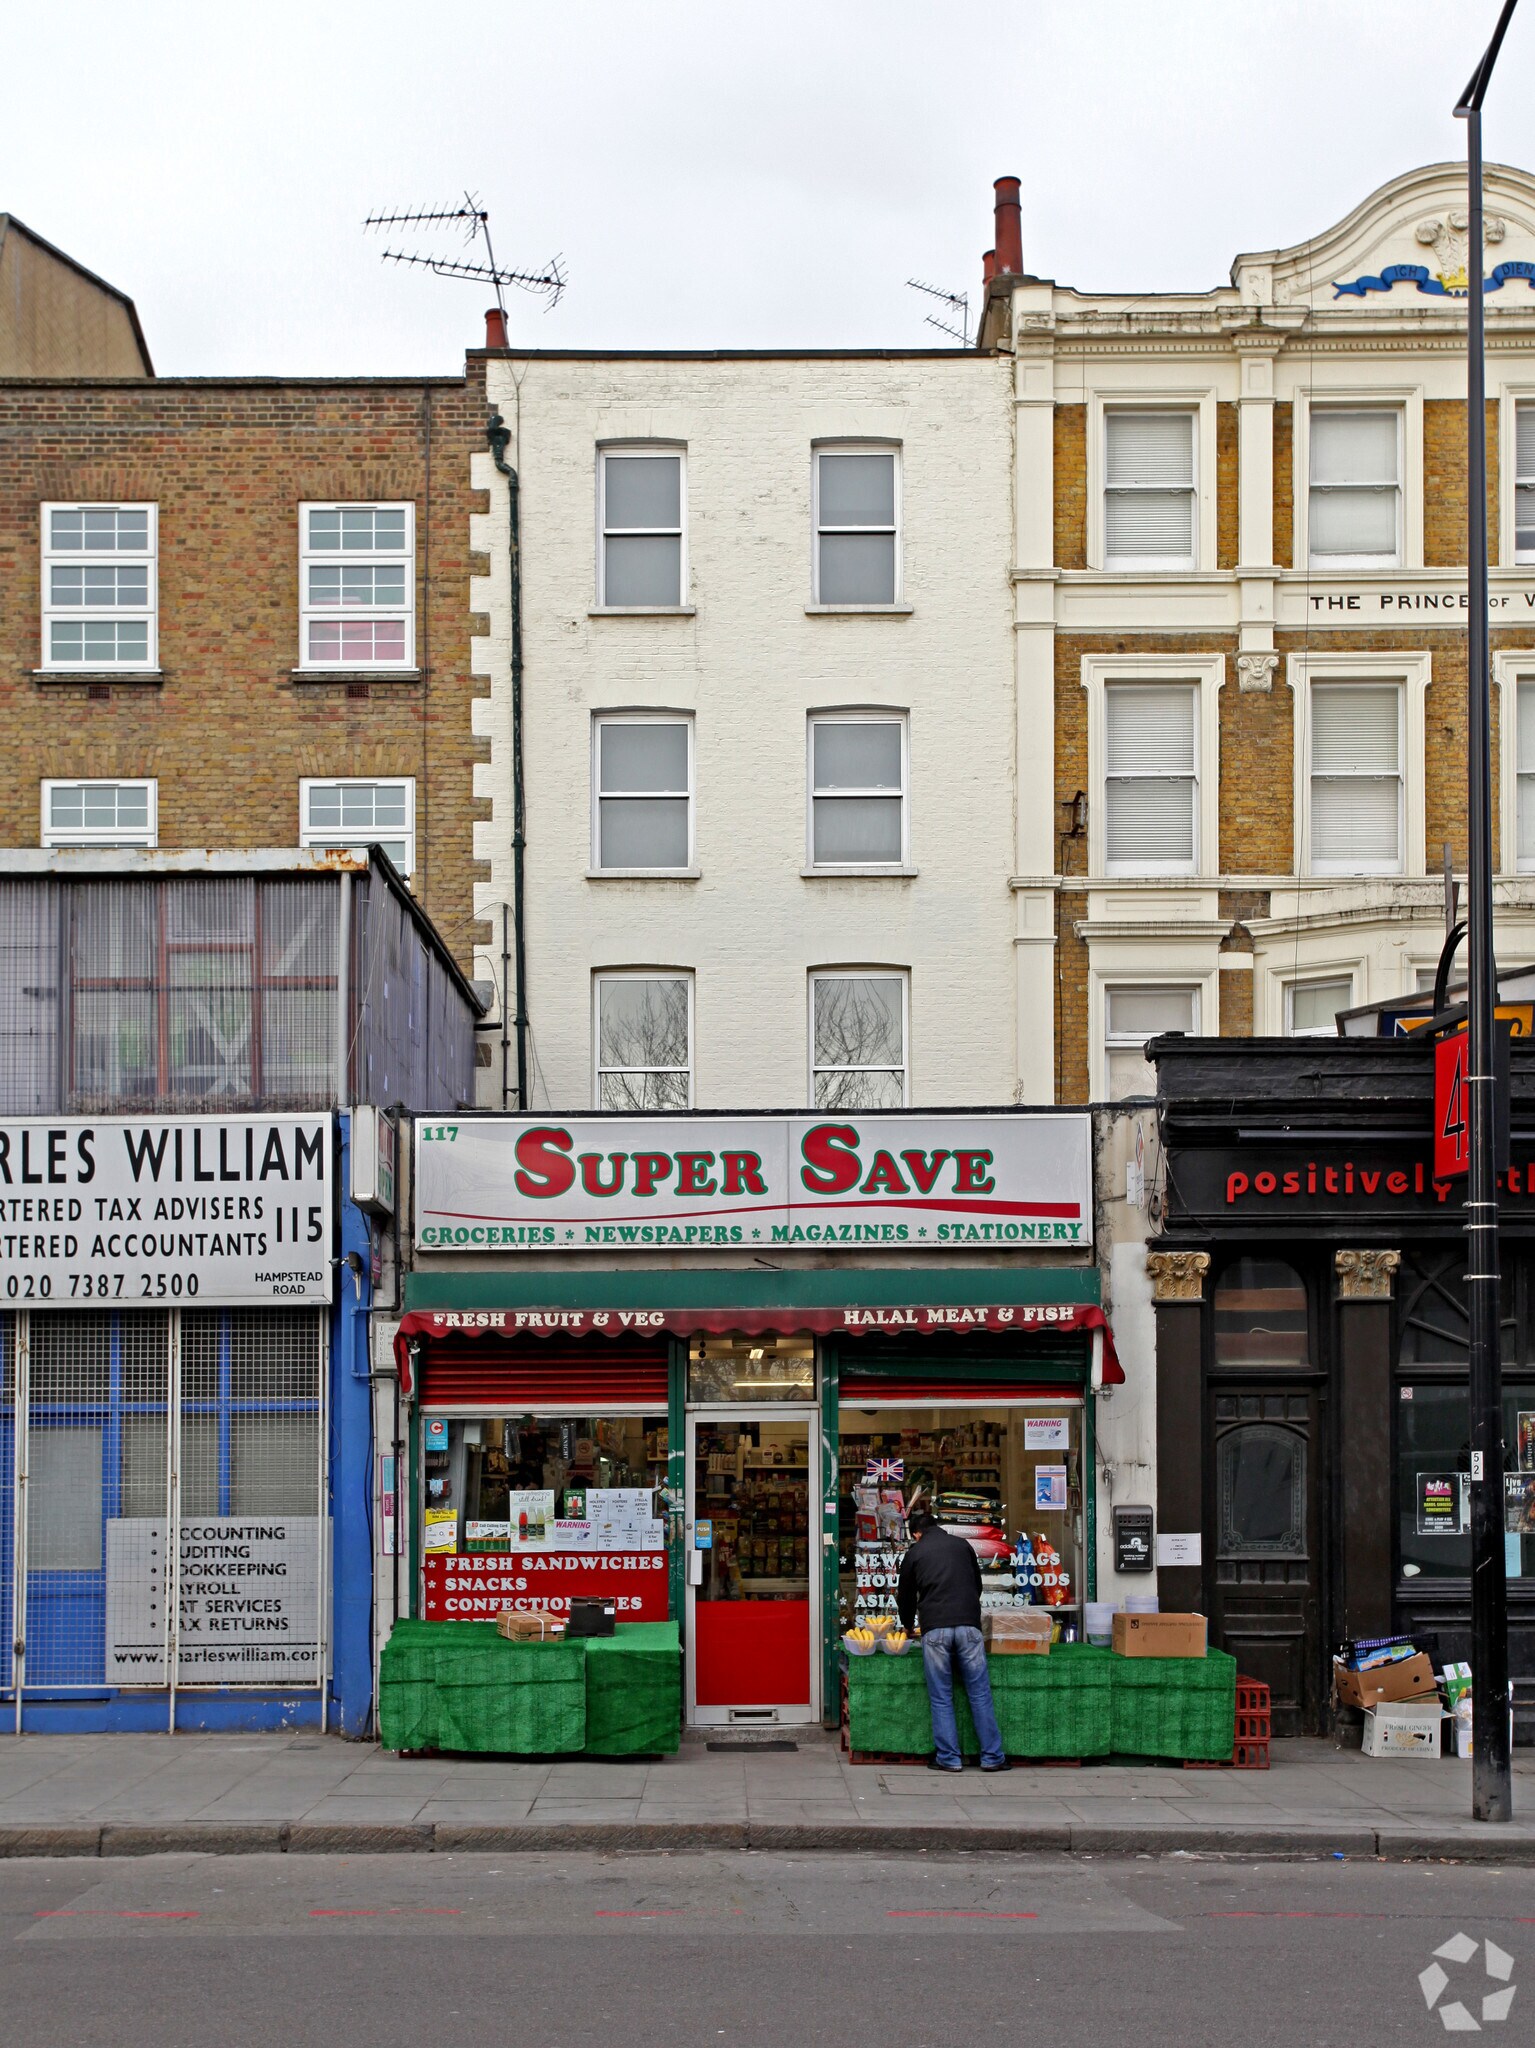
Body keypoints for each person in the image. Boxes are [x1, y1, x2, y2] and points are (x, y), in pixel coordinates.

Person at [895, 1507, 1010, 1772]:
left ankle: (949, 1758)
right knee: (980, 1693)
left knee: (941, 1696)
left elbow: (906, 1596)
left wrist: (908, 1624)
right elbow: (977, 1585)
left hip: (935, 1628)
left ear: (916, 1533)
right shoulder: (962, 1546)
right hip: (969, 1625)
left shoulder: (915, 1553)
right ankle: (992, 1757)